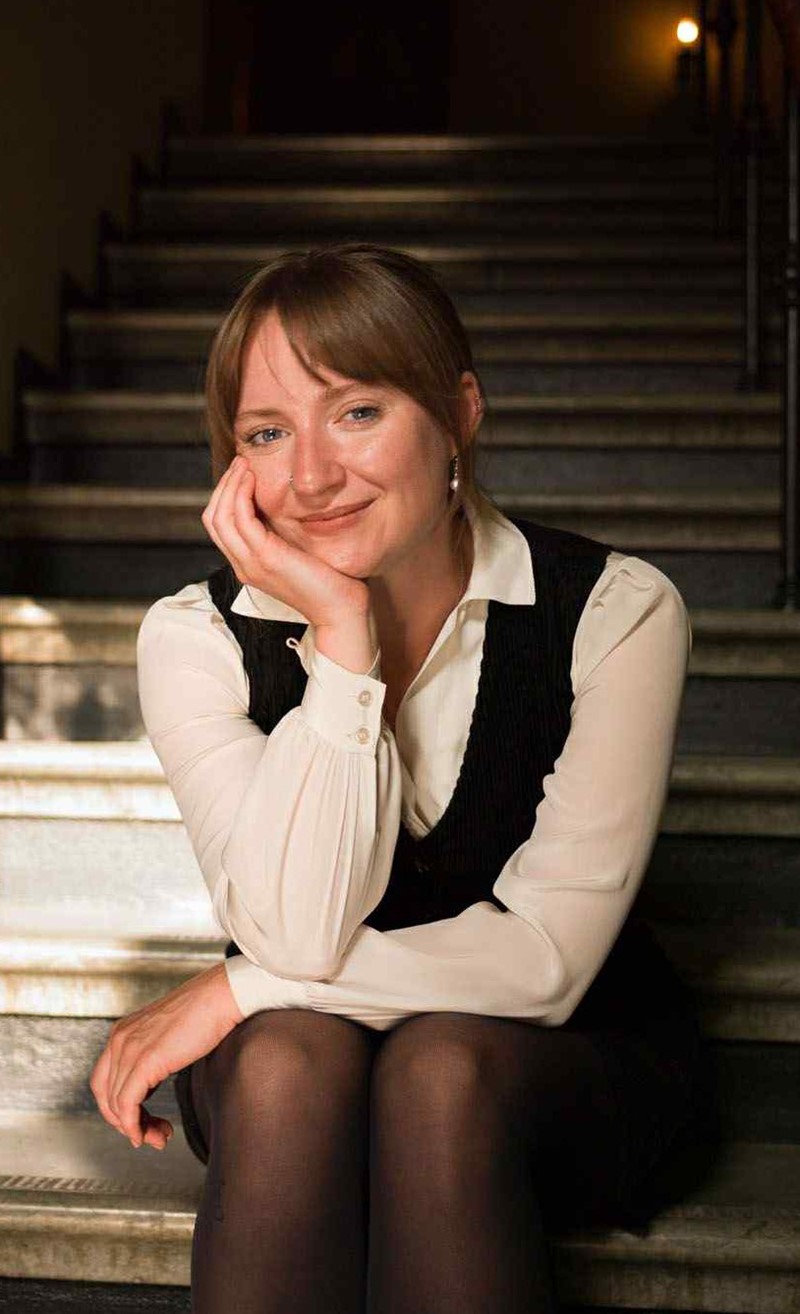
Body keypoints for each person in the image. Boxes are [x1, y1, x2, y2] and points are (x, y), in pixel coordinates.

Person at [90, 242, 713, 1314]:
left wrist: (238, 988)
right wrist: (342, 640)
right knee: (285, 1064)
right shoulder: (196, 638)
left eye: (358, 412)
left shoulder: (614, 613)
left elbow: (544, 961)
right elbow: (295, 935)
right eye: (266, 434)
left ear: (459, 414)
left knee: (436, 1073)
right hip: (300, 1069)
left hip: (559, 1062)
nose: (311, 477)